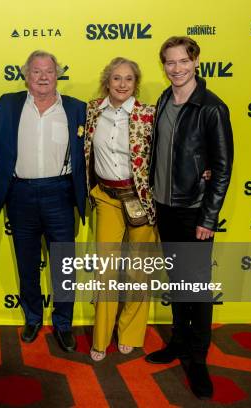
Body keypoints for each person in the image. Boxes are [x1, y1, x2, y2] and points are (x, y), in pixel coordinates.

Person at [145, 36, 233, 400]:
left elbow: (223, 169)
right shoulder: (165, 98)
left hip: (195, 211)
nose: (176, 68)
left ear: (195, 62)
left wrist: (208, 218)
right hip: (165, 207)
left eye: (183, 61)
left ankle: (197, 360)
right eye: (169, 62)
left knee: (197, 290)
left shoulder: (211, 107)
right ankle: (179, 343)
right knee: (177, 283)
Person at [0, 50, 87, 352]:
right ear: (26, 75)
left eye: (49, 71)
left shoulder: (77, 109)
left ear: (57, 74)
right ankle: (32, 318)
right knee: (27, 263)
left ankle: (63, 324)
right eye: (36, 71)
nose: (43, 77)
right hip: (20, 194)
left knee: (64, 264)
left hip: (60, 194)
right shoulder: (7, 105)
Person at [83, 57, 157, 362]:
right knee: (106, 272)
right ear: (107, 81)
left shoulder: (148, 114)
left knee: (139, 271)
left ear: (135, 83)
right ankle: (101, 338)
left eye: (128, 79)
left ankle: (129, 333)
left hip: (140, 198)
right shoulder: (91, 110)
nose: (122, 84)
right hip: (106, 197)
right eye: (116, 78)